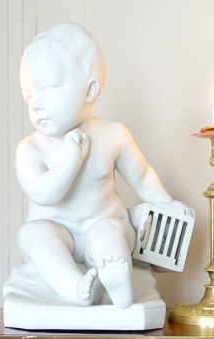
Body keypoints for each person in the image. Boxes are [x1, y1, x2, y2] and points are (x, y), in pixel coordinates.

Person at [16, 23, 189, 309]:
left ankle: (115, 272)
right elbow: (43, 195)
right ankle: (75, 287)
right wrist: (71, 160)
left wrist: (165, 202)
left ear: (90, 90)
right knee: (31, 235)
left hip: (103, 222)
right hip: (57, 232)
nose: (36, 105)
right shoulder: (30, 148)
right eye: (29, 97)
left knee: (111, 231)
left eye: (46, 89)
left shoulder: (113, 135)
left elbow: (142, 174)